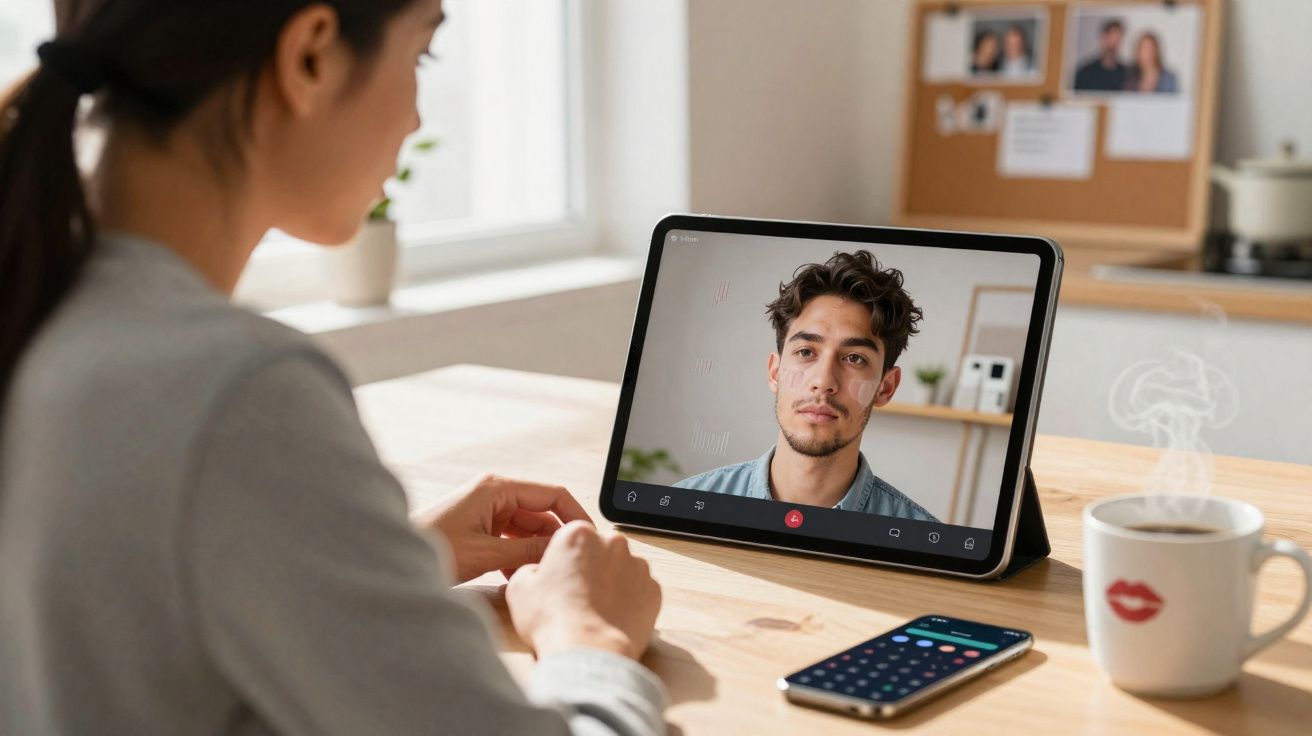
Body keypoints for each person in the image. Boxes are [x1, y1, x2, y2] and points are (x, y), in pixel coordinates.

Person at [0, 1, 665, 734]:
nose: (416, 118)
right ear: (311, 56)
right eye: (420, 54)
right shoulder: (235, 389)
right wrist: (590, 637)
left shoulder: (41, 301)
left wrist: (384, 560)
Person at [672, 251, 938, 522]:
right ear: (775, 372)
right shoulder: (683, 508)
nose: (823, 382)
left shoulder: (920, 537)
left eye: (854, 358)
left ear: (885, 388)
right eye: (806, 352)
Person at [1074, 18, 1128, 91]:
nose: (1113, 42)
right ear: (1102, 37)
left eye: (1117, 38)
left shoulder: (1126, 74)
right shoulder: (1085, 73)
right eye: (1110, 37)